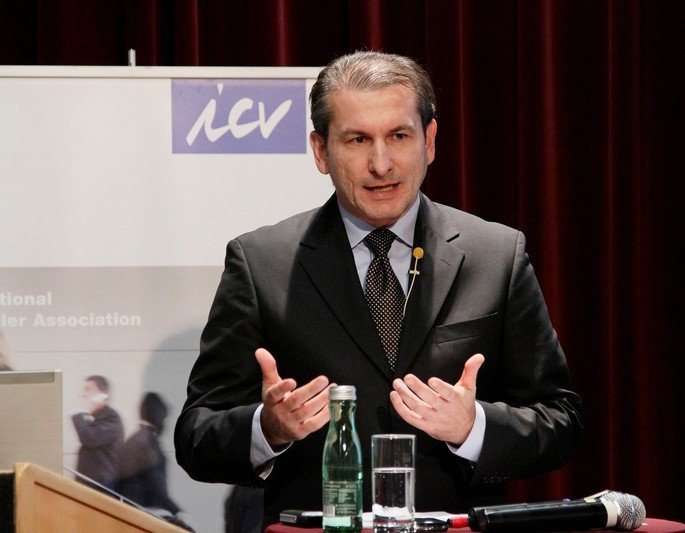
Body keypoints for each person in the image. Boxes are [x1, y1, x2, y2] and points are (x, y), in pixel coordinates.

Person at [175, 51, 582, 524]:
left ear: (429, 141)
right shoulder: (262, 263)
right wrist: (268, 428)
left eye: (399, 136)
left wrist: (474, 426)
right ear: (321, 151)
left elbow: (560, 422)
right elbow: (196, 436)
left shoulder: (496, 256)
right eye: (357, 140)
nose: (381, 164)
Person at [116, 392, 183, 519]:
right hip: (144, 512)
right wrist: (176, 511)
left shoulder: (136, 439)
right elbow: (155, 484)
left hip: (134, 510)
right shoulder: (146, 443)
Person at [72, 375, 124, 491]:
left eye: (88, 389)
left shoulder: (112, 418)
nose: (83, 394)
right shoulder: (97, 418)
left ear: (101, 394)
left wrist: (81, 413)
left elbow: (89, 438)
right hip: (90, 487)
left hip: (102, 488)